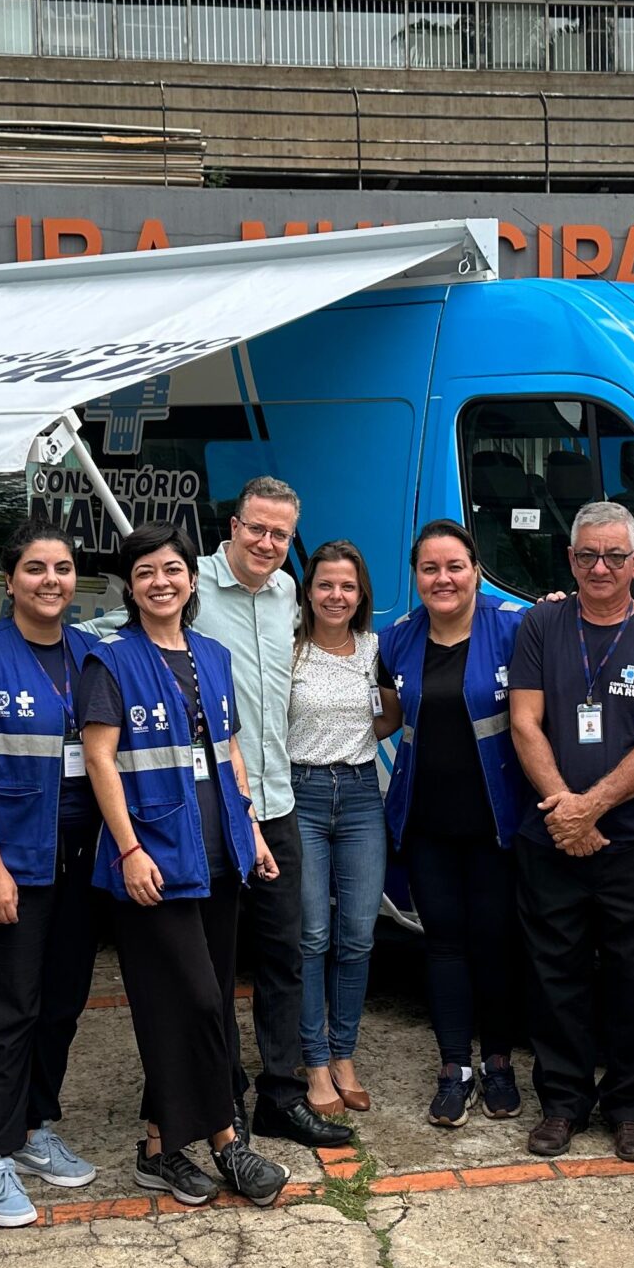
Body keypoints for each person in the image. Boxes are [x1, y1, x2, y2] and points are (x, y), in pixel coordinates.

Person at [81, 523, 294, 1208]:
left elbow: (227, 750)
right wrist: (129, 848)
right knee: (198, 1002)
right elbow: (99, 761)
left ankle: (158, 1146)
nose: (161, 582)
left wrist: (251, 830)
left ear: (192, 580)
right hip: (155, 863)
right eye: (145, 573)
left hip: (218, 856)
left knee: (196, 1007)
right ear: (131, 587)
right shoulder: (110, 660)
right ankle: (228, 1142)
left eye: (171, 569)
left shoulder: (211, 655)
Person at [506, 501, 634, 1162]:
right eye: (588, 556)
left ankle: (631, 1107)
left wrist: (594, 807)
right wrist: (564, 808)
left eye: (616, 555)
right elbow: (525, 722)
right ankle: (562, 1104)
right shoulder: (541, 623)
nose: (601, 567)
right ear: (570, 559)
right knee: (555, 976)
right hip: (551, 839)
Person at [0, 526, 105, 1228]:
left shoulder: (89, 653)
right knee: (7, 1012)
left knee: (62, 1003)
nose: (50, 580)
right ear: (9, 582)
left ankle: (36, 1128)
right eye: (35, 568)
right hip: (12, 865)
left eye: (63, 569)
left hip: (78, 861)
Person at [188, 478, 352, 1151]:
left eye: (280, 534)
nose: (266, 543)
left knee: (282, 957)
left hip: (276, 802)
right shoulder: (191, 585)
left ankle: (282, 1096)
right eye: (256, 528)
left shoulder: (288, 592)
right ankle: (220, 1094)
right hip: (211, 805)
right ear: (233, 525)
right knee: (215, 966)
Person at [378, 521, 533, 1128]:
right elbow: (381, 717)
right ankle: (453, 1067)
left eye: (454, 566)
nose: (442, 579)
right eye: (429, 569)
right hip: (427, 823)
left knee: (494, 942)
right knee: (442, 943)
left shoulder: (516, 627)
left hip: (497, 821)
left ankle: (498, 1061)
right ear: (416, 577)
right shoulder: (397, 641)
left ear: (475, 568)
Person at [288, 540, 387, 1119]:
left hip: (358, 796)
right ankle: (315, 1059)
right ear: (308, 591)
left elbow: (389, 710)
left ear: (361, 594)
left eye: (347, 586)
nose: (336, 595)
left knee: (358, 935)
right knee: (313, 936)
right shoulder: (290, 651)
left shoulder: (375, 648)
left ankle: (344, 1053)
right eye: (325, 584)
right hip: (301, 793)